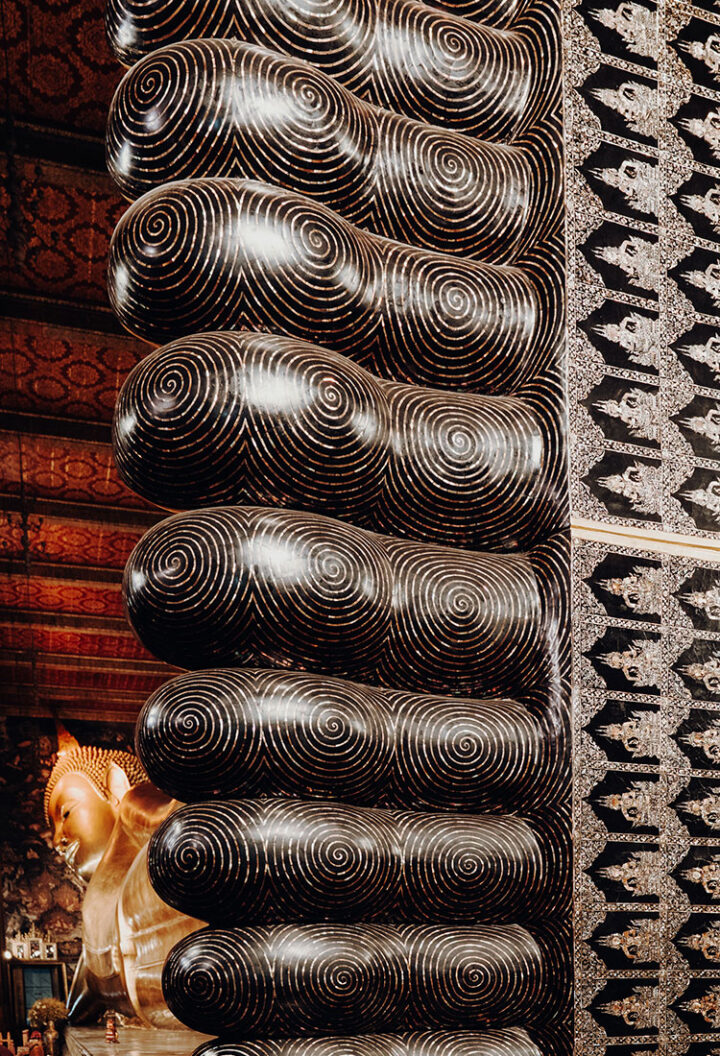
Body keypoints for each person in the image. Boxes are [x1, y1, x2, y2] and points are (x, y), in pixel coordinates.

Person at [45, 736, 202, 1027]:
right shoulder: (95, 914)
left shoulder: (133, 809)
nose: (58, 840)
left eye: (66, 813)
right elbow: (82, 1000)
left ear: (114, 789)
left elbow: (176, 818)